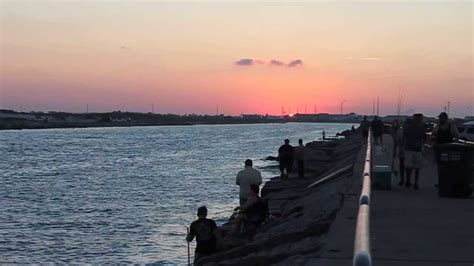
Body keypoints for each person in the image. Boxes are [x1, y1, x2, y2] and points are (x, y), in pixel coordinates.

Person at [403, 113, 426, 190]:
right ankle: (412, 182)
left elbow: (405, 135)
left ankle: (411, 181)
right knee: (414, 167)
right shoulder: (420, 126)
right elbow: (424, 138)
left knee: (412, 167)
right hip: (412, 149)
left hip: (412, 149)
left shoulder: (420, 126)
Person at [396, 119, 408, 186]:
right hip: (402, 151)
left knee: (407, 167)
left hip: (408, 151)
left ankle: (406, 180)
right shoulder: (400, 131)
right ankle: (402, 179)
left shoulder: (409, 131)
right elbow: (397, 140)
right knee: (402, 166)